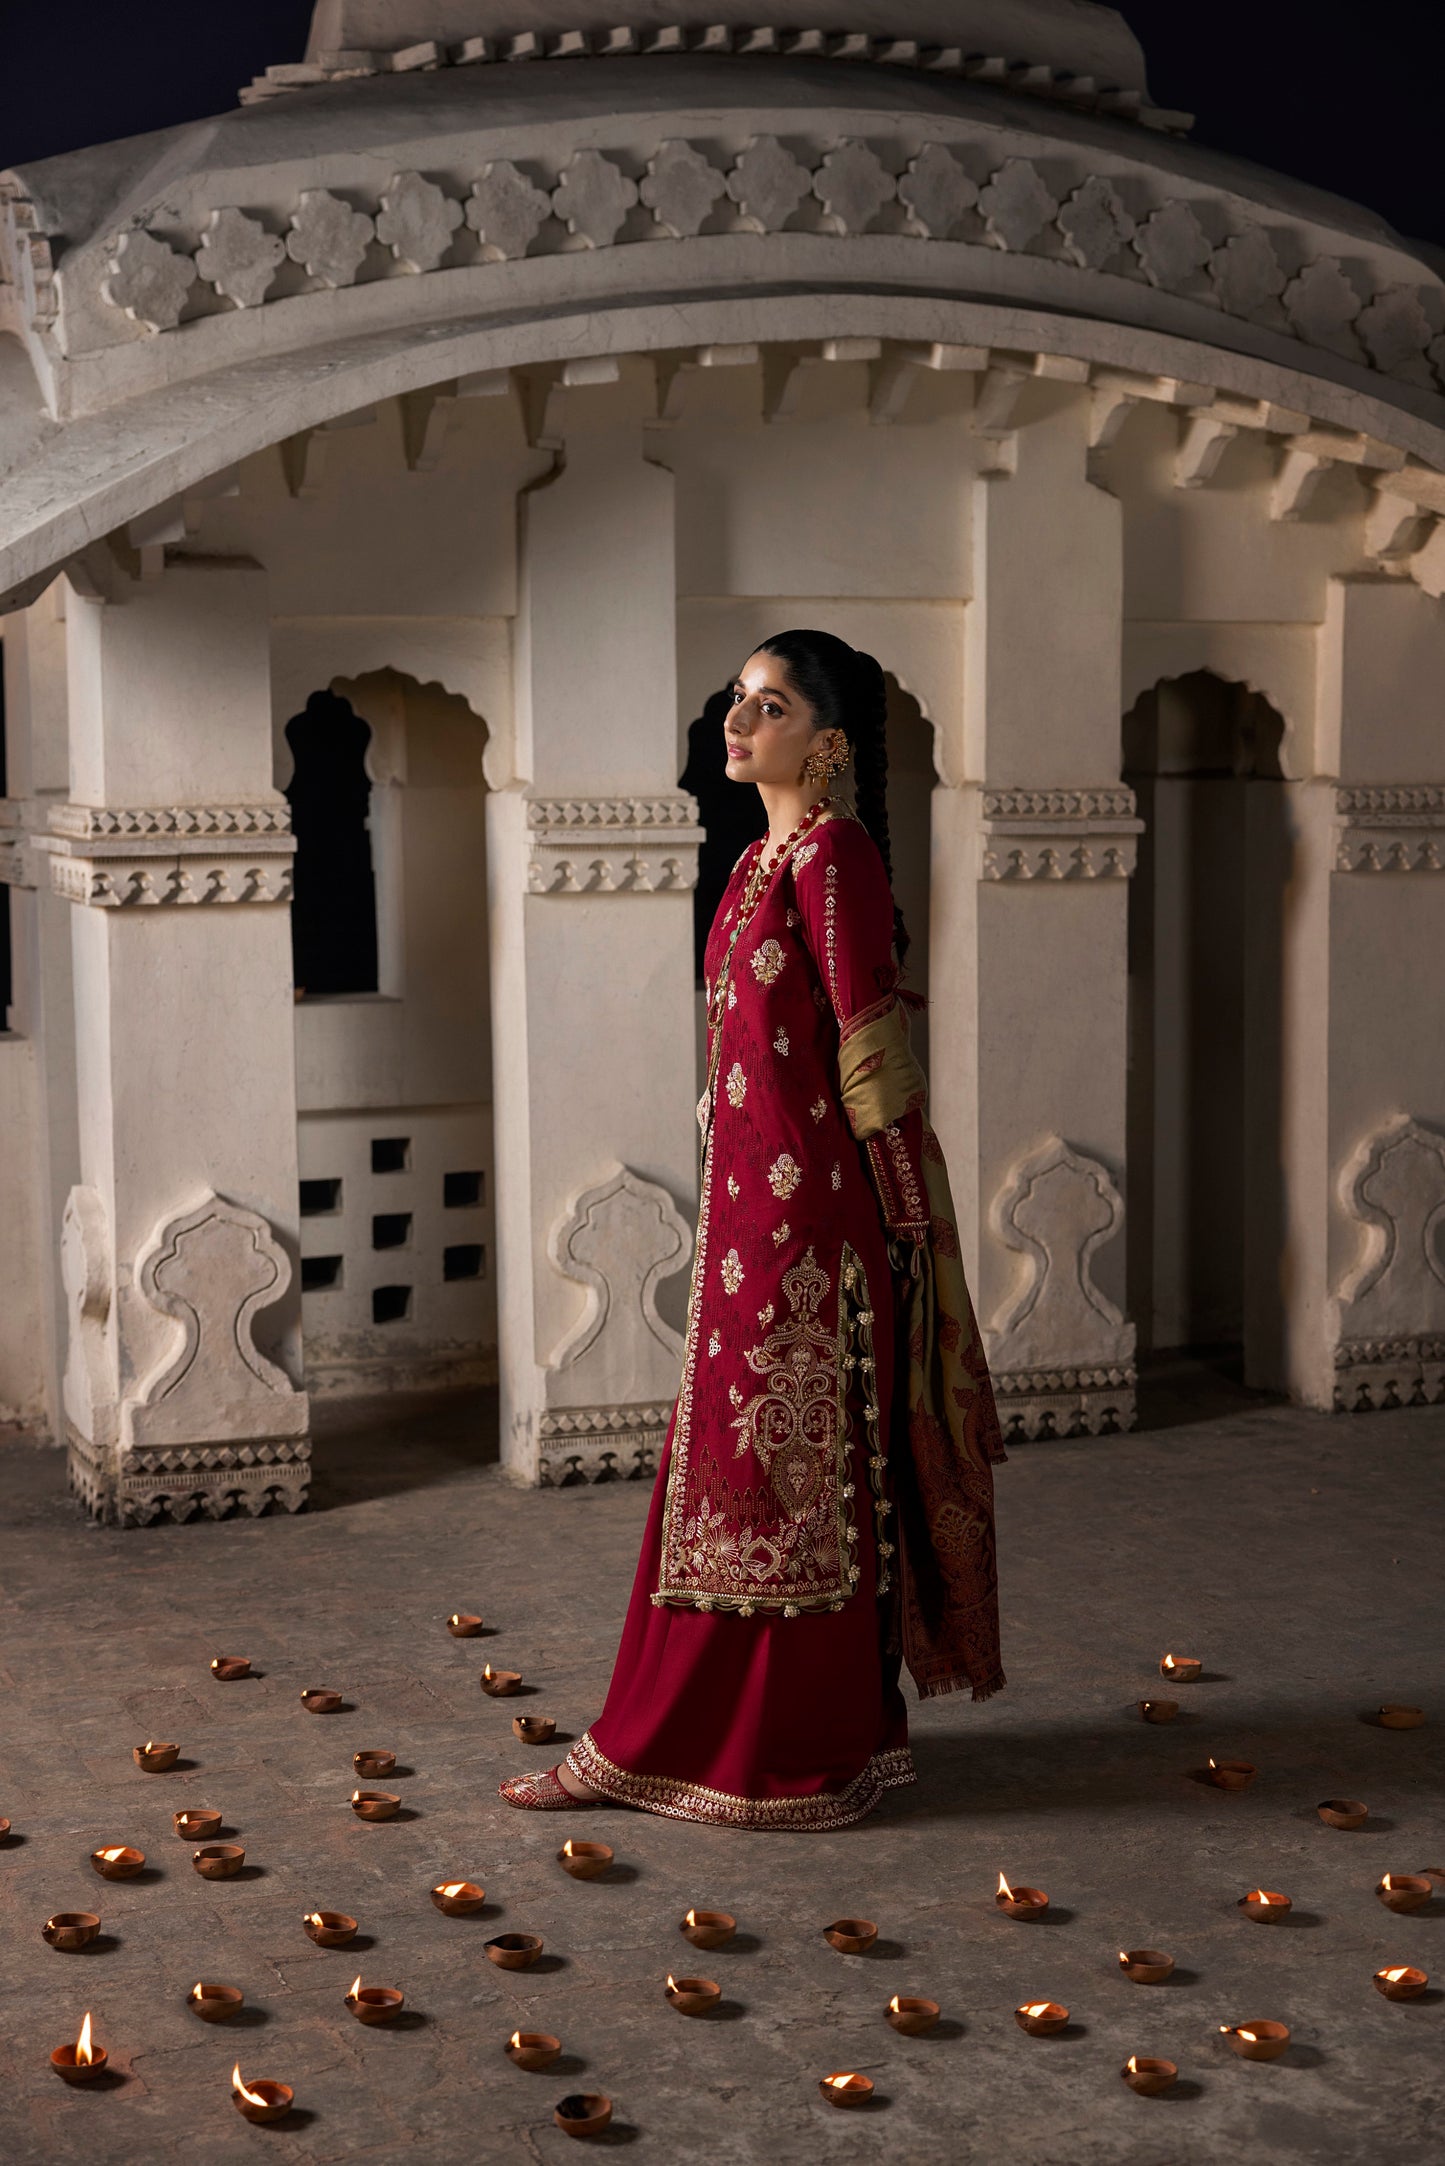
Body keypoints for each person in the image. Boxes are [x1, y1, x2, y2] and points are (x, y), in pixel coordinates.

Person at [501, 630, 1005, 1829]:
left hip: (816, 1242)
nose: (734, 725)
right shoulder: (748, 868)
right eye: (734, 700)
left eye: (766, 707)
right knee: (720, 1480)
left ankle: (788, 1747)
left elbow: (872, 1062)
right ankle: (664, 1736)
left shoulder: (834, 863)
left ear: (824, 743)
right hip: (745, 1230)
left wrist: (901, 1231)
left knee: (789, 1489)